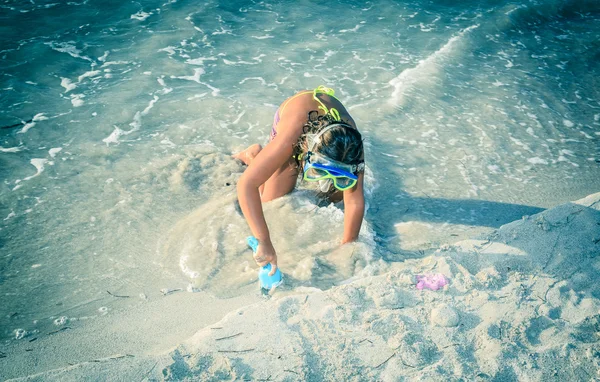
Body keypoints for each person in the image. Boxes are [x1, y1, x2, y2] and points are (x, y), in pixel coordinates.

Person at [234, 85, 365, 276]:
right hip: (297, 118)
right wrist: (264, 241)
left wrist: (347, 245)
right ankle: (253, 156)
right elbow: (246, 185)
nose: (325, 181)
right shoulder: (291, 138)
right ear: (306, 149)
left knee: (339, 198)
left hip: (330, 130)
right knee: (271, 200)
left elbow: (354, 200)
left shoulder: (352, 146)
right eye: (318, 171)